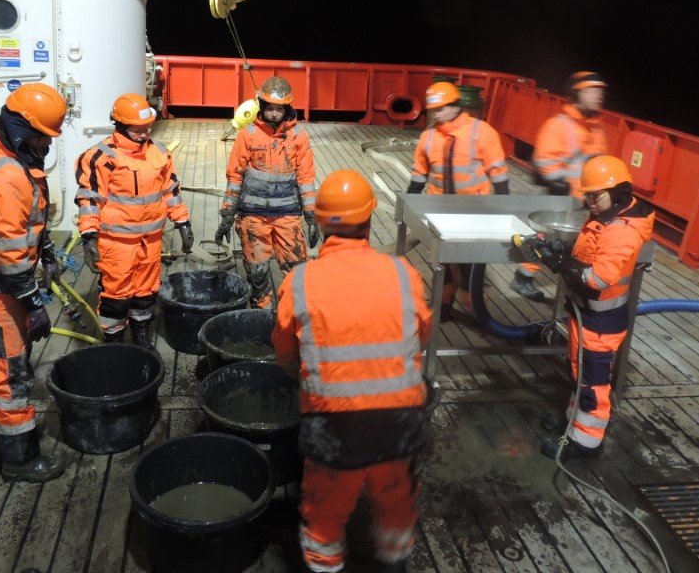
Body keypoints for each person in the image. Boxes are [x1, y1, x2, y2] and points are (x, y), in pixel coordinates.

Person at [273, 170, 433, 573]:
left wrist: (299, 371)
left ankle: (326, 566)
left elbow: (284, 351)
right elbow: (423, 334)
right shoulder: (403, 273)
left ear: (322, 222)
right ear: (369, 219)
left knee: (325, 508)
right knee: (395, 496)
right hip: (398, 421)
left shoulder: (301, 281)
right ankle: (394, 561)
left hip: (334, 426)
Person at [0, 82, 67, 483]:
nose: (48, 146)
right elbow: (8, 253)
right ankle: (20, 458)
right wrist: (33, 302)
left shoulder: (11, 160)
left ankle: (3, 439)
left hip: (1, 287)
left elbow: (26, 228)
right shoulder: (7, 178)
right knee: (13, 376)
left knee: (0, 368)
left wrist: (49, 252)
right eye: (44, 137)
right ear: (24, 131)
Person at [533, 156, 654, 459]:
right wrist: (566, 253)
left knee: (593, 381)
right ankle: (574, 421)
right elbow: (590, 254)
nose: (588, 202)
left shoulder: (622, 229)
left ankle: (585, 441)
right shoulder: (608, 216)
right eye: (586, 195)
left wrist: (564, 265)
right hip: (585, 313)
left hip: (601, 321)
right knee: (578, 370)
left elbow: (599, 277)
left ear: (617, 191)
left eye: (593, 195)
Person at [75, 92, 192, 346]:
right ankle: (114, 342)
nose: (144, 133)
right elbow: (90, 200)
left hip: (150, 241)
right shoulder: (101, 157)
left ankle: (141, 335)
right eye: (137, 129)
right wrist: (89, 236)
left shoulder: (159, 153)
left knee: (146, 292)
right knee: (116, 296)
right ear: (120, 126)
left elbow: (171, 191)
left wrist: (182, 222)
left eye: (147, 127)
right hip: (117, 244)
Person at [406, 80, 509, 318]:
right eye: (434, 109)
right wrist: (409, 203)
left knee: (472, 260)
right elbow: (419, 174)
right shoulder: (429, 137)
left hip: (474, 210)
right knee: (442, 260)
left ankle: (473, 302)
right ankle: (443, 303)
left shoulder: (480, 131)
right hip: (439, 211)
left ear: (456, 105)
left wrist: (505, 204)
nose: (438, 113)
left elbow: (497, 170)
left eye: (442, 108)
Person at [215, 76, 318, 309]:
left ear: (287, 108)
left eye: (278, 109)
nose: (273, 114)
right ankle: (263, 316)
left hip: (288, 215)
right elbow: (235, 177)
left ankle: (291, 316)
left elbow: (306, 178)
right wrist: (227, 215)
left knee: (296, 269)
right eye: (269, 108)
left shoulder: (298, 136)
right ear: (261, 107)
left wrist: (311, 216)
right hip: (253, 216)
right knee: (257, 272)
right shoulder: (247, 135)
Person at [511, 71, 609, 301]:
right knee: (546, 241)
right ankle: (523, 278)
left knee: (580, 247)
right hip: (563, 199)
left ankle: (574, 289)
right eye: (592, 90)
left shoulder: (597, 129)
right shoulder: (559, 125)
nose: (598, 96)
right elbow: (543, 163)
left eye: (601, 91)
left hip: (588, 203)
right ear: (576, 94)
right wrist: (563, 185)